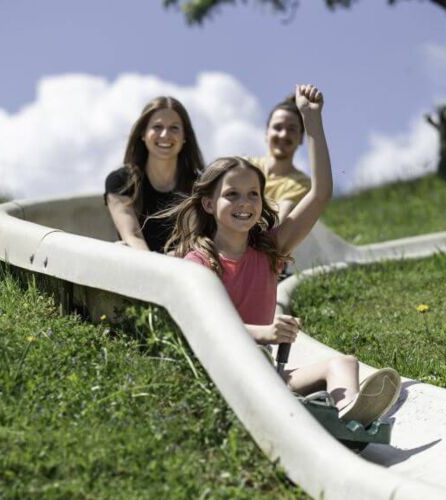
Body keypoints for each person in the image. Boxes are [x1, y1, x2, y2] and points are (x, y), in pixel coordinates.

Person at [165, 85, 400, 425]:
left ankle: (350, 414)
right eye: (232, 195)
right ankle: (330, 414)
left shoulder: (269, 251)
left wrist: (313, 119)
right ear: (208, 203)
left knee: (343, 363)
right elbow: (209, 326)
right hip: (219, 376)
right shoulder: (198, 263)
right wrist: (265, 333)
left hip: (267, 374)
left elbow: (320, 194)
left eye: (253, 194)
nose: (245, 203)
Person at [104, 96, 205, 253]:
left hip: (186, 269)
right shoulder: (121, 182)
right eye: (157, 127)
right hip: (140, 268)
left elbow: (196, 244)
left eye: (174, 128)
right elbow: (132, 237)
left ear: (185, 137)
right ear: (143, 134)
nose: (165, 134)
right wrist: (156, 272)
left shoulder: (200, 186)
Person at [248, 94, 311, 224]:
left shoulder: (302, 184)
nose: (283, 134)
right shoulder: (246, 166)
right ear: (266, 132)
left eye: (291, 129)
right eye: (277, 127)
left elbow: (280, 222)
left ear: (301, 138)